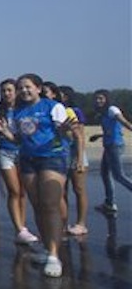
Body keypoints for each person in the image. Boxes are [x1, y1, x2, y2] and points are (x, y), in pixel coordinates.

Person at [0, 74, 75, 278]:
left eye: (28, 87)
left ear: (38, 88)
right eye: (20, 88)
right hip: (28, 160)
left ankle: (55, 256)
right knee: (38, 206)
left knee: (50, 204)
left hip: (52, 158)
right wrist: (4, 132)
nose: (24, 91)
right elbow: (19, 140)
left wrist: (66, 130)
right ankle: (48, 249)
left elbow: (68, 133)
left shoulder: (52, 106)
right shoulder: (19, 111)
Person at [0, 79, 38, 245]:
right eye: (3, 91)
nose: (6, 94)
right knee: (13, 191)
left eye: (9, 90)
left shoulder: (24, 110)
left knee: (22, 192)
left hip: (23, 152)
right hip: (6, 153)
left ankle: (22, 227)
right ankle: (19, 228)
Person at [90, 89, 132, 215]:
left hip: (115, 146)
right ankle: (109, 203)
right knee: (104, 173)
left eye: (101, 98)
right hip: (109, 146)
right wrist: (98, 135)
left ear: (107, 99)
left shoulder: (112, 109)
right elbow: (110, 130)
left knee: (118, 175)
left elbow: (122, 121)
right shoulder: (103, 113)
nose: (98, 101)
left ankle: (110, 202)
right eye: (96, 98)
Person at [60, 86, 89, 235]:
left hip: (75, 152)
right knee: (62, 191)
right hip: (62, 154)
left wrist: (79, 158)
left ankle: (81, 223)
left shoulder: (74, 111)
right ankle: (63, 223)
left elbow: (80, 135)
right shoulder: (55, 111)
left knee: (79, 189)